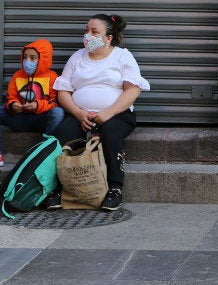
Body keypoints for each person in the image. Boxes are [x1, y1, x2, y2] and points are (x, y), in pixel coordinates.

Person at [45, 13, 150, 211]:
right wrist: (78, 113)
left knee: (111, 134)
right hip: (80, 115)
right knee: (63, 135)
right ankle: (58, 189)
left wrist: (107, 114)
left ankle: (115, 188)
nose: (88, 35)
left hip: (116, 115)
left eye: (94, 32)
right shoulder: (77, 57)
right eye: (87, 31)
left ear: (108, 37)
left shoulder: (122, 56)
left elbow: (133, 90)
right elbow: (63, 92)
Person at [0, 39, 65, 168]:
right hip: (20, 119)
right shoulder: (17, 76)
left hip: (41, 120)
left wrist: (38, 105)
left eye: (33, 58)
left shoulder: (52, 77)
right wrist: (13, 105)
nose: (27, 61)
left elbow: (55, 102)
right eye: (25, 57)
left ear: (43, 59)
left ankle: (44, 152)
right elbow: (10, 98)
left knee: (58, 112)